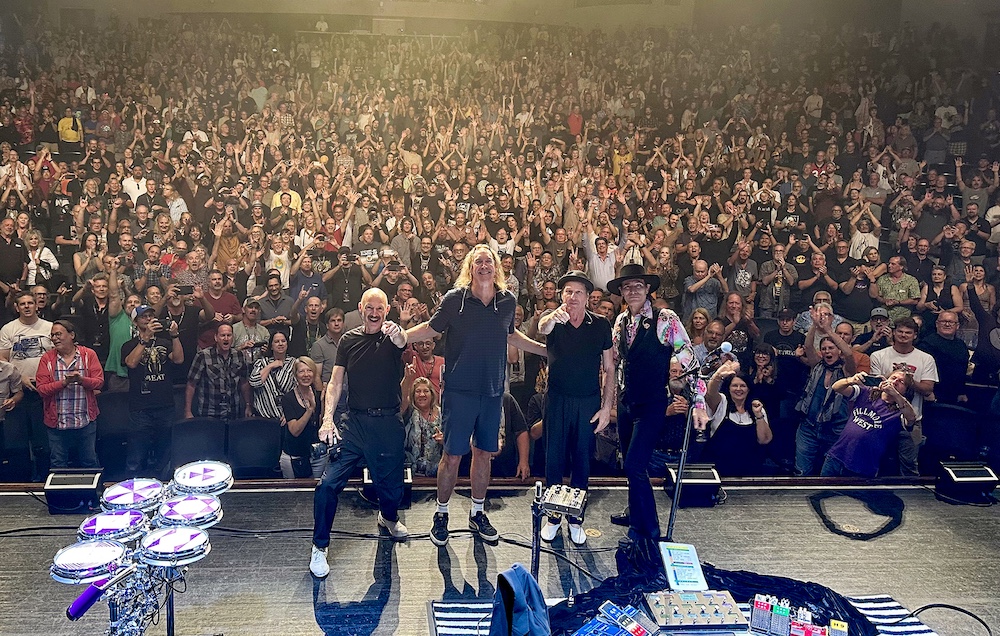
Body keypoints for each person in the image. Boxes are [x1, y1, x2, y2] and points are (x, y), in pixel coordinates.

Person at [404, 244, 547, 546]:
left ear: (497, 268)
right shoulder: (455, 299)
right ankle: (441, 514)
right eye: (478, 261)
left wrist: (545, 350)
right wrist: (401, 335)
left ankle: (477, 512)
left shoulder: (507, 300)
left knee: (484, 454)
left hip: (493, 391)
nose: (484, 266)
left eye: (489, 261)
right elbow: (431, 328)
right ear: (470, 268)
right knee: (453, 455)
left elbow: (510, 334)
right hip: (459, 391)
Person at [311, 288, 409, 578]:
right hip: (354, 424)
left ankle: (388, 518)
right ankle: (319, 547)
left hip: (388, 424)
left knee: (391, 491)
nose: (375, 313)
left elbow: (403, 340)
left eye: (380, 308)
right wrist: (327, 418)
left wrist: (399, 332)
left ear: (387, 310)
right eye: (370, 307)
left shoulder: (394, 338)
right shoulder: (348, 340)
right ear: (361, 308)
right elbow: (335, 382)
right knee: (327, 485)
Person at [605, 263, 707, 539]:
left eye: (638, 285)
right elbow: (614, 361)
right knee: (628, 460)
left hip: (652, 404)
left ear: (648, 289)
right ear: (622, 292)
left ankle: (648, 530)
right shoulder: (620, 321)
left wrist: (698, 401)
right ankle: (634, 510)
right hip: (628, 402)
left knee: (636, 465)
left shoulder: (665, 318)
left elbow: (688, 358)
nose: (633, 290)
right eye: (627, 287)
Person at [536, 271, 614, 545]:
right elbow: (541, 328)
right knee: (554, 459)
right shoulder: (554, 320)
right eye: (567, 292)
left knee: (582, 460)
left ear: (588, 297)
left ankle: (576, 518)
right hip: (557, 399)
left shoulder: (601, 325)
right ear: (561, 295)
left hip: (588, 400)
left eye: (578, 292)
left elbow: (609, 367)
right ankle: (554, 516)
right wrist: (551, 317)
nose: (572, 297)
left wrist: (606, 408)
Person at [869, 317, 938, 476]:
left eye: (908, 332)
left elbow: (928, 389)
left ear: (915, 335)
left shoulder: (925, 358)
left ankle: (912, 496)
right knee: (876, 460)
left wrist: (907, 379)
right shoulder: (878, 355)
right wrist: (894, 375)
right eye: (900, 331)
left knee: (909, 465)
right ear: (893, 333)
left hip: (911, 419)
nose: (903, 335)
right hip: (881, 418)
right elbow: (874, 388)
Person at [794, 307, 857, 476]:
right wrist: (815, 325)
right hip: (809, 426)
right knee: (801, 471)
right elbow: (808, 345)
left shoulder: (846, 370)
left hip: (835, 429)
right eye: (825, 349)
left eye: (832, 348)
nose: (828, 351)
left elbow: (849, 353)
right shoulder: (817, 364)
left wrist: (829, 330)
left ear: (838, 351)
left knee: (830, 474)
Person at [122, 305, 183, 476]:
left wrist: (175, 336)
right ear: (135, 322)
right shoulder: (129, 345)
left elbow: (178, 359)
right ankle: (133, 488)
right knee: (136, 453)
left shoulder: (164, 342)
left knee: (164, 453)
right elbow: (131, 363)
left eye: (151, 316)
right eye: (144, 317)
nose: (149, 319)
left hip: (165, 405)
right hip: (140, 407)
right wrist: (145, 339)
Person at [34, 320, 104, 469]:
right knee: (58, 464)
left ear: (72, 335)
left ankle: (92, 493)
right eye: (52, 335)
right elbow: (41, 389)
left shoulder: (88, 355)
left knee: (89, 462)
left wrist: (81, 380)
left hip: (85, 420)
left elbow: (99, 382)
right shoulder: (47, 359)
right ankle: (60, 493)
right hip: (58, 422)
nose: (55, 338)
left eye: (59, 334)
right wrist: (63, 383)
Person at [0, 291, 54, 478]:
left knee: (43, 438)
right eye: (22, 304)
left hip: (45, 389)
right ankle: (22, 478)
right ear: (16, 307)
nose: (27, 306)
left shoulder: (49, 327)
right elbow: (3, 359)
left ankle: (45, 477)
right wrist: (20, 376)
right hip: (18, 389)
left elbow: (57, 356)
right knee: (19, 439)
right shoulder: (8, 329)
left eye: (30, 302)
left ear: (37, 305)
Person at [822, 371, 916, 477]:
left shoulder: (899, 412)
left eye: (901, 382)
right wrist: (851, 380)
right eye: (893, 377)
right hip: (836, 457)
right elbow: (836, 387)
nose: (894, 382)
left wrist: (895, 394)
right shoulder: (867, 392)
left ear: (906, 390)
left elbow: (911, 418)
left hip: (863, 467)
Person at [704, 360, 773, 476]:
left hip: (749, 472)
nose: (738, 389)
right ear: (729, 388)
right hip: (720, 470)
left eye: (743, 386)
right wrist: (718, 376)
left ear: (749, 389)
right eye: (734, 385)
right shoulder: (722, 403)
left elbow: (765, 439)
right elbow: (710, 394)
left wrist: (758, 415)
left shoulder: (757, 407)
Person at [184, 323, 251, 420]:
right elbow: (191, 384)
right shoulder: (203, 356)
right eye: (223, 335)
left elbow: (244, 382)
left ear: (233, 337)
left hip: (233, 412)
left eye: (229, 335)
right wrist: (187, 411)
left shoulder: (239, 355)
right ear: (216, 338)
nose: (226, 338)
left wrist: (248, 405)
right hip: (209, 413)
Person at [279, 357, 325, 479]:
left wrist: (324, 402)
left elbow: (320, 425)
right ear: (295, 375)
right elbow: (295, 431)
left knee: (317, 493)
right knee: (294, 496)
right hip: (294, 457)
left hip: (317, 456)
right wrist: (310, 410)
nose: (306, 375)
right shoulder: (288, 399)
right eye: (301, 371)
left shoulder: (319, 395)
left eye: (309, 371)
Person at [917, 311, 969, 404]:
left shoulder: (961, 345)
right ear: (937, 324)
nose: (947, 324)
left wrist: (962, 391)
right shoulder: (926, 344)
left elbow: (962, 370)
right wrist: (928, 394)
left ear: (957, 326)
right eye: (943, 321)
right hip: (934, 395)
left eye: (951, 322)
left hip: (955, 395)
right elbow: (920, 372)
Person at [249, 330, 297, 421]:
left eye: (283, 341)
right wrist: (270, 366)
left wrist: (290, 414)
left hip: (286, 417)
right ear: (271, 346)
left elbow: (298, 390)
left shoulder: (294, 363)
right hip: (264, 418)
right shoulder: (262, 363)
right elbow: (254, 382)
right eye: (276, 341)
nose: (280, 344)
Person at [402, 375, 443, 477]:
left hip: (438, 471)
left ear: (432, 394)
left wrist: (444, 441)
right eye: (418, 391)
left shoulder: (443, 414)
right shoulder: (409, 412)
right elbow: (402, 398)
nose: (422, 394)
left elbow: (453, 442)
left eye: (426, 391)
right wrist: (407, 378)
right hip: (410, 470)